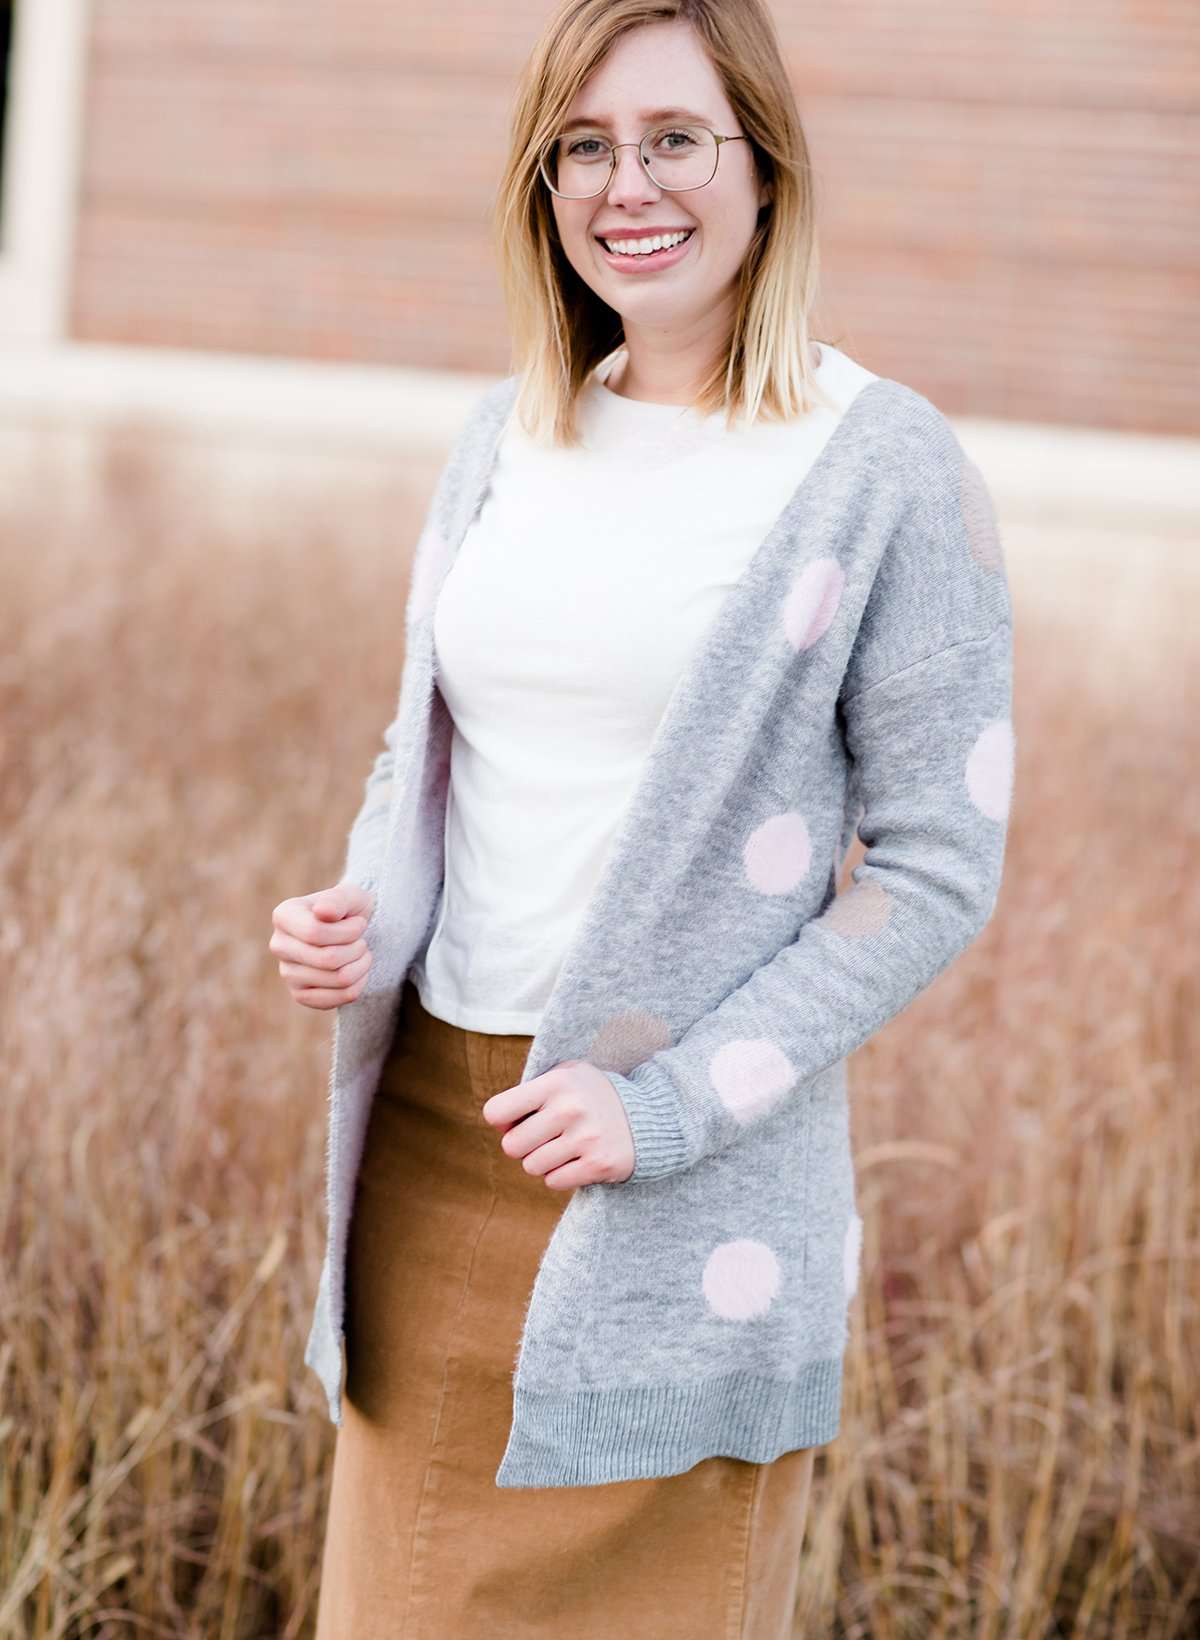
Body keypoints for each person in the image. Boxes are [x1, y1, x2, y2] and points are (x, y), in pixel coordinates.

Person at [270, 1, 1016, 1634]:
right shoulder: (507, 436)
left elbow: (940, 865)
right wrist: (356, 913)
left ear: (765, 164)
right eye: (585, 147)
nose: (631, 186)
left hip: (680, 1205)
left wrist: (662, 1107)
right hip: (430, 1146)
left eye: (676, 137)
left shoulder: (878, 464)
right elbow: (430, 765)